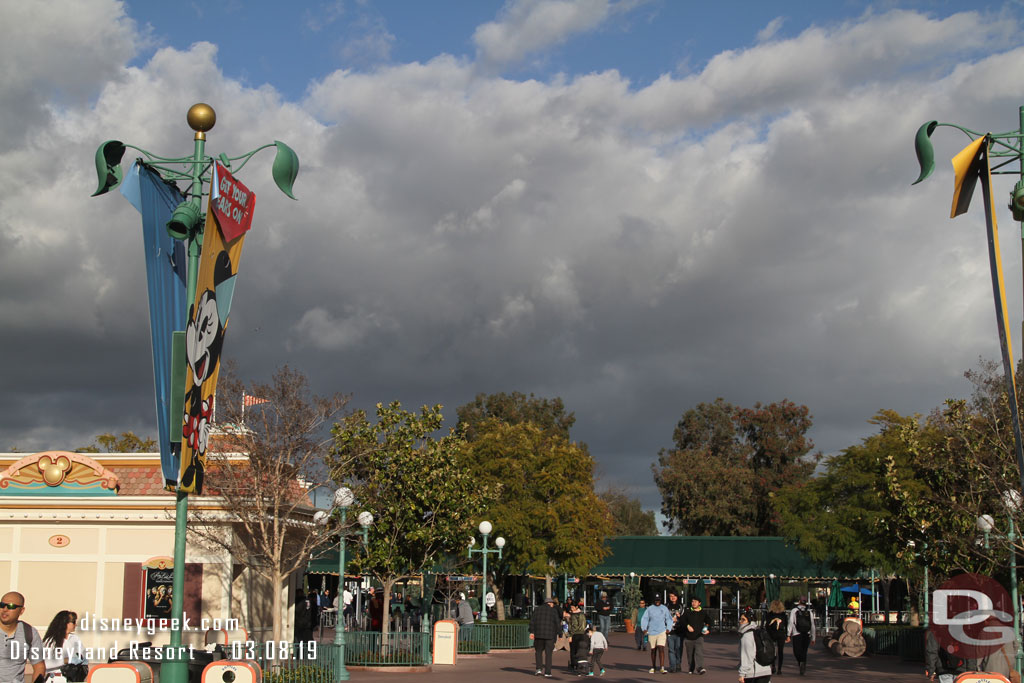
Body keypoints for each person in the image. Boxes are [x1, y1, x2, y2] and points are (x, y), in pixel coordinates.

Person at [0, 592, 44, 683]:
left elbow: (39, 666)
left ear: (21, 611)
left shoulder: (29, 633)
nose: (5, 609)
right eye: (2, 605)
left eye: (11, 606)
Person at [41, 611, 84, 681]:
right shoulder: (50, 641)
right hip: (55, 678)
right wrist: (65, 660)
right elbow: (44, 664)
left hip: (72, 679)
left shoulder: (75, 639)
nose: (76, 625)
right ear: (65, 623)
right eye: (73, 622)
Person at [681, 595, 713, 674]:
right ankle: (691, 668)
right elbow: (682, 621)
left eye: (695, 602)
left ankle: (699, 667)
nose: (693, 603)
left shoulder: (703, 612)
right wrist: (687, 626)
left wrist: (708, 630)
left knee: (699, 652)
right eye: (692, 601)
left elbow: (709, 622)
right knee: (690, 655)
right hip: (688, 637)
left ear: (699, 603)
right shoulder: (687, 611)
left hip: (699, 636)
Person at [530, 597, 561, 678]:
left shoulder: (537, 610)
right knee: (548, 654)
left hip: (539, 635)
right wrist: (560, 633)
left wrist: (532, 631)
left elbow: (532, 621)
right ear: (549, 603)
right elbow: (557, 623)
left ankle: (538, 669)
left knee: (538, 652)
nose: (553, 605)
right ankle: (548, 672)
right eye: (552, 603)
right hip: (550, 635)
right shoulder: (553, 611)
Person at [640, 594, 672, 674]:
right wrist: (644, 628)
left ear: (660, 600)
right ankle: (653, 667)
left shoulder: (664, 608)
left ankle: (662, 667)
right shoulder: (649, 609)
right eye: (656, 600)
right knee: (653, 650)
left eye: (658, 600)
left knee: (661, 648)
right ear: (653, 600)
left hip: (662, 631)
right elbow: (645, 618)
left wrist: (668, 628)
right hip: (652, 631)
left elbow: (669, 618)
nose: (657, 602)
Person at [738, 611, 772, 683]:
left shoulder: (747, 636)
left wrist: (742, 674)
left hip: (753, 673)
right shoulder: (760, 632)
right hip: (766, 669)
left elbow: (747, 656)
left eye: (743, 619)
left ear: (749, 621)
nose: (740, 621)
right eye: (740, 619)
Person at [787, 597, 815, 675]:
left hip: (797, 634)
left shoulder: (794, 611)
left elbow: (791, 623)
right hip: (807, 634)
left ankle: (801, 663)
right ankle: (803, 663)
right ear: (805, 602)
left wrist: (788, 634)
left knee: (796, 651)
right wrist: (813, 637)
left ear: (799, 602)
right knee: (804, 651)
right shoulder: (809, 612)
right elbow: (812, 625)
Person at [765, 600, 788, 674]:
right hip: (781, 634)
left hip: (772, 633)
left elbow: (767, 625)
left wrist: (768, 633)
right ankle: (780, 669)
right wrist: (787, 635)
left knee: (772, 650)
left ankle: (773, 666)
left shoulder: (769, 614)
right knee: (780, 651)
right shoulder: (783, 615)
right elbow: (786, 625)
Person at [567, 601, 589, 674]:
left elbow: (572, 626)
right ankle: (581, 664)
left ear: (576, 607)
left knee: (573, 650)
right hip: (582, 634)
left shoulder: (573, 616)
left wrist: (570, 635)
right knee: (580, 649)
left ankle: (574, 665)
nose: (571, 609)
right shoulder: (582, 614)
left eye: (572, 607)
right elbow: (584, 625)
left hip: (575, 634)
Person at [666, 592, 683, 672]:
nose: (672, 597)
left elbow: (684, 618)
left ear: (677, 597)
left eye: (674, 596)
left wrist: (679, 619)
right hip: (670, 631)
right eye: (670, 596)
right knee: (671, 649)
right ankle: (672, 666)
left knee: (678, 648)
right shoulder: (666, 606)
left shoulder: (681, 606)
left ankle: (678, 663)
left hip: (679, 631)